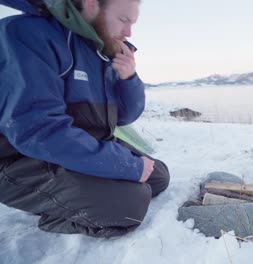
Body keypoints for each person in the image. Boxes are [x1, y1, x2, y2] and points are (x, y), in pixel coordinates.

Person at [0, 0, 170, 238]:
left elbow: (124, 116)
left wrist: (129, 78)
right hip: (20, 160)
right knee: (130, 206)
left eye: (132, 23)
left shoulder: (100, 49)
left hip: (73, 147)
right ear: (91, 5)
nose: (129, 32)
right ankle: (54, 215)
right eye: (123, 20)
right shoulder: (28, 34)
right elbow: (38, 131)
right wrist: (127, 165)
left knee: (158, 176)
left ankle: (81, 191)